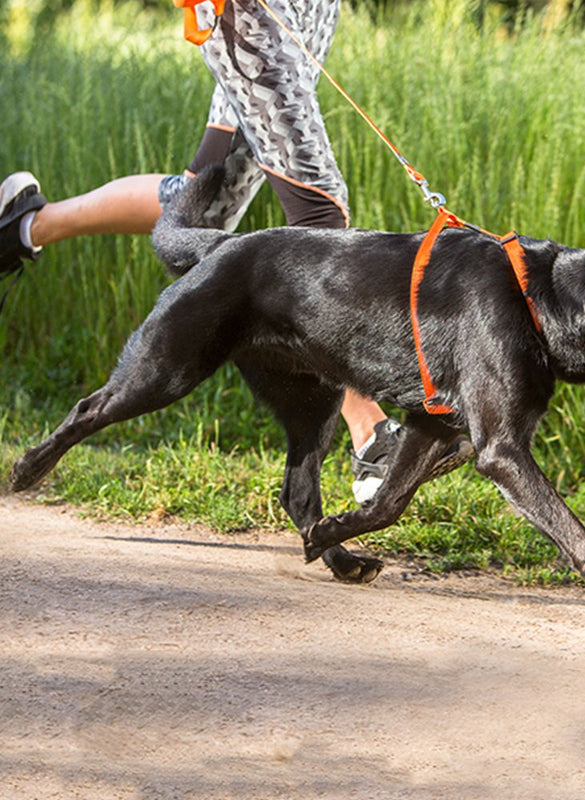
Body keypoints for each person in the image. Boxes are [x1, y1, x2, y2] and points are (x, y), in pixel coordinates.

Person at [0, 0, 471, 503]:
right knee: (320, 213)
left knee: (204, 204)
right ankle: (371, 432)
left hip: (308, 13)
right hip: (256, 14)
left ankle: (22, 226)